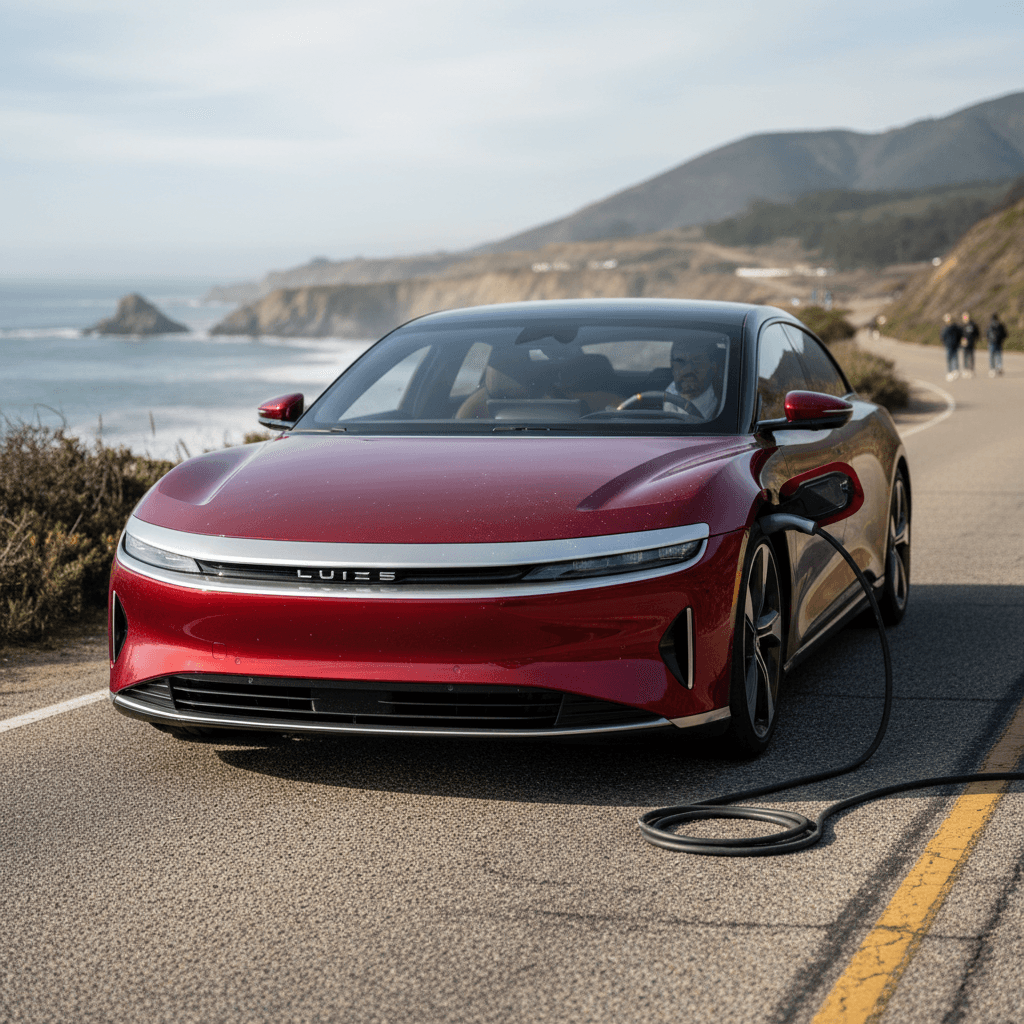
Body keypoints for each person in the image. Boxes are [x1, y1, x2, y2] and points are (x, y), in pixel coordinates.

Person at [663, 338, 723, 420]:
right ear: (672, 367)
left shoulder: (724, 407)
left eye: (697, 361)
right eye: (680, 361)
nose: (688, 369)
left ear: (713, 367)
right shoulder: (657, 401)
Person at [941, 314, 962, 381]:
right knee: (949, 359)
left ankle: (955, 371)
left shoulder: (955, 327)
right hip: (948, 345)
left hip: (955, 345)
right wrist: (944, 343)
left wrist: (959, 342)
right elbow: (942, 337)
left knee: (955, 358)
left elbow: (960, 335)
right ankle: (950, 372)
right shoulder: (944, 328)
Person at [960, 311, 979, 377]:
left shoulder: (972, 325)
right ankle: (966, 369)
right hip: (965, 344)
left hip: (971, 343)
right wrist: (962, 341)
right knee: (965, 357)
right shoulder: (962, 326)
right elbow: (961, 335)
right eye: (964, 316)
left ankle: (971, 370)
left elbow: (976, 333)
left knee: (971, 357)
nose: (965, 318)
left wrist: (975, 340)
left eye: (966, 316)